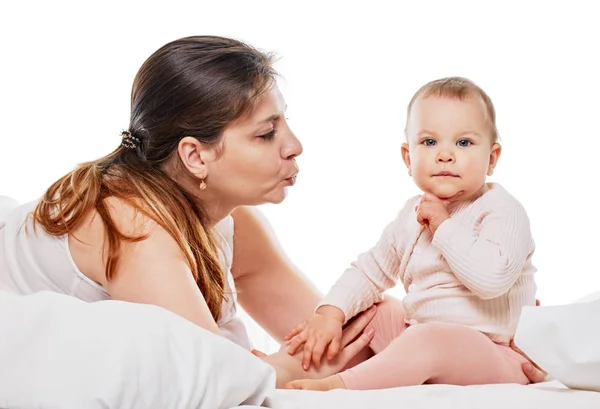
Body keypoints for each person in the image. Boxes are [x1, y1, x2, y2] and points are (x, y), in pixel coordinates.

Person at [0, 37, 545, 388]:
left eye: (284, 123)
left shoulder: (233, 223)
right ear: (195, 155)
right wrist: (293, 366)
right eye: (267, 134)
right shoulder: (135, 228)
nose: (296, 146)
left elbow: (333, 341)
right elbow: (223, 378)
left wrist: (476, 333)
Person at [285, 77, 542, 391]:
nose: (445, 155)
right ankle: (282, 369)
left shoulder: (502, 210)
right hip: (421, 336)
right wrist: (330, 313)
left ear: (492, 158)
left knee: (428, 338)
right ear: (408, 158)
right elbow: (370, 271)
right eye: (429, 142)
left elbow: (491, 280)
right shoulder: (411, 214)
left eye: (463, 143)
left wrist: (443, 226)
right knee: (370, 312)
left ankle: (341, 386)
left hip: (496, 352)